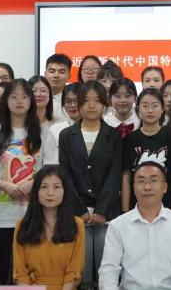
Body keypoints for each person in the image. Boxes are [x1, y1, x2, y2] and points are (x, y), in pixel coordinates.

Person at [0, 78, 58, 284]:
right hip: (2, 214)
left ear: (31, 101)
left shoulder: (43, 133)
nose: (19, 101)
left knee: (35, 268)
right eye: (14, 97)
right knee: (5, 269)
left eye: (24, 96)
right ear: (5, 101)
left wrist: (33, 183)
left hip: (36, 213)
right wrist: (6, 185)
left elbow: (52, 169)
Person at [59, 80, 123, 286]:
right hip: (77, 213)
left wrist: (101, 210)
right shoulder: (66, 136)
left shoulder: (114, 135)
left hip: (108, 214)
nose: (92, 105)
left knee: (107, 271)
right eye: (86, 101)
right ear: (78, 104)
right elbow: (65, 175)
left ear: (104, 104)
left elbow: (114, 176)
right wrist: (80, 209)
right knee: (81, 272)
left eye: (97, 100)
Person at [98, 162, 171, 290]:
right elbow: (108, 272)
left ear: (165, 187)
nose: (147, 187)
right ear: (134, 188)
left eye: (153, 181)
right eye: (141, 181)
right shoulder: (118, 226)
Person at [12, 165, 85, 290]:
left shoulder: (77, 224)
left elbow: (75, 273)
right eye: (44, 187)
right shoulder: (22, 226)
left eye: (57, 187)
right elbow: (20, 274)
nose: (50, 193)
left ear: (65, 191)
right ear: (36, 191)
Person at [121, 89, 171, 212]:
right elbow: (126, 177)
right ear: (138, 109)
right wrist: (125, 212)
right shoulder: (129, 139)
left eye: (155, 106)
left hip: (167, 207)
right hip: (137, 208)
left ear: (162, 109)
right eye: (145, 106)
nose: (150, 110)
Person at [45, 53, 73, 123]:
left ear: (69, 76)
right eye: (52, 71)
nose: (56, 75)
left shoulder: (74, 101)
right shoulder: (37, 99)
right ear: (45, 74)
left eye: (61, 72)